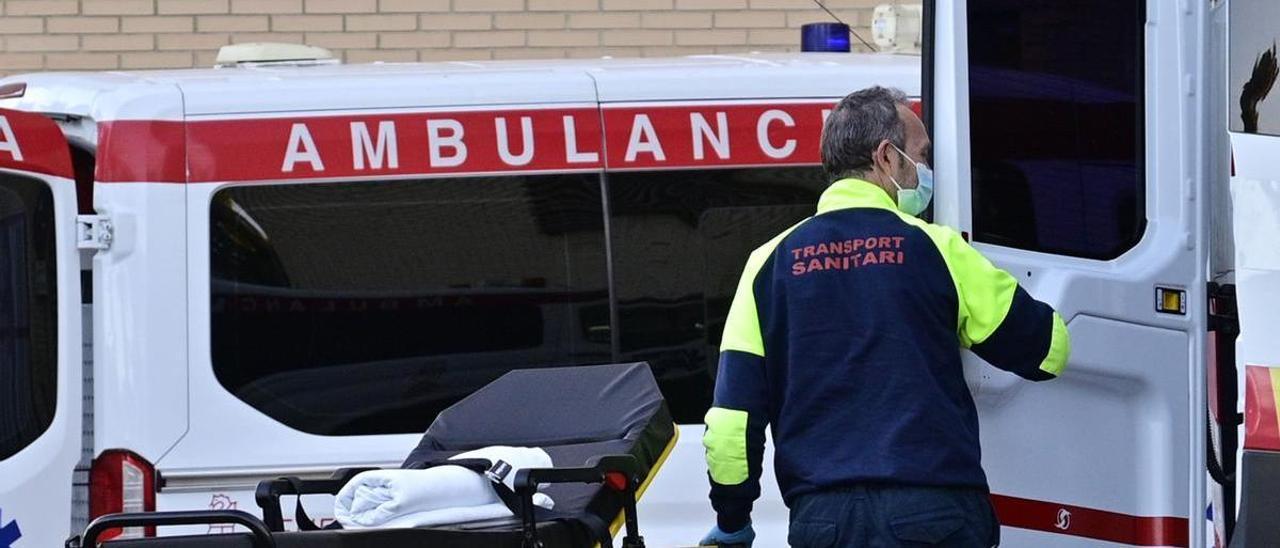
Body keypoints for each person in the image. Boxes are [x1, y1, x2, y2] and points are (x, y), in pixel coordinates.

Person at [697, 86, 1070, 547]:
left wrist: (733, 519)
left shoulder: (766, 264)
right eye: (922, 155)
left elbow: (732, 424)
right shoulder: (937, 247)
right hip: (935, 513)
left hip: (824, 522)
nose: (926, 171)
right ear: (887, 157)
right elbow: (1047, 351)